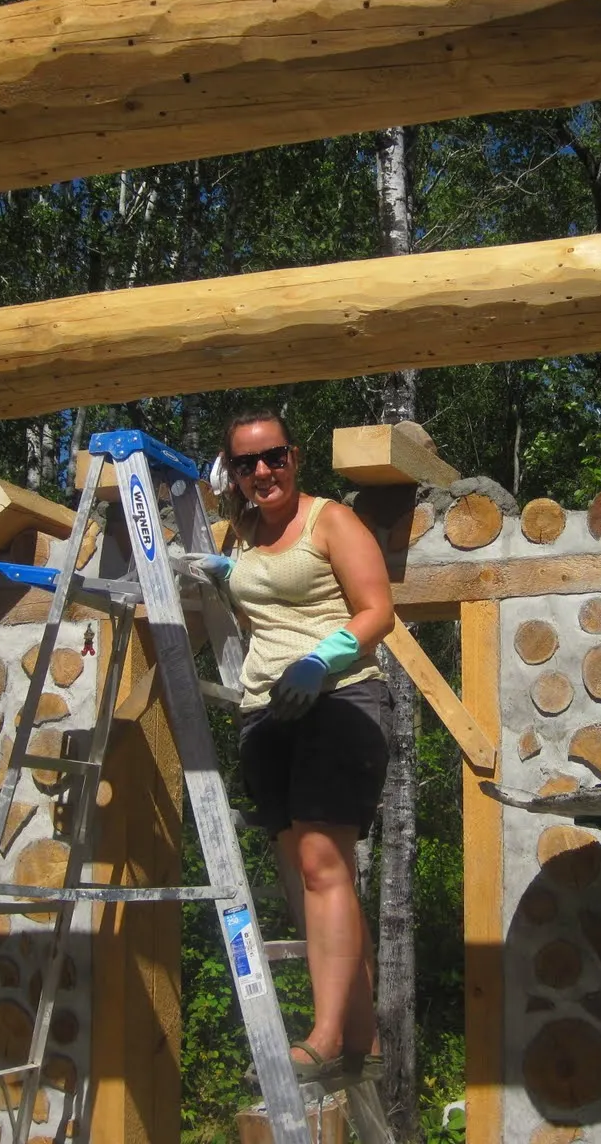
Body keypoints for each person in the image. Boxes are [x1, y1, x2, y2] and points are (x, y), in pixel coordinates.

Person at [193, 410, 394, 1085]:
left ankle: (326, 1036)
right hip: (266, 712)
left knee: (321, 864)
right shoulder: (244, 534)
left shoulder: (329, 520)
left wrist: (319, 660)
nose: (262, 472)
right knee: (303, 876)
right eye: (245, 463)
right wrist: (224, 565)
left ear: (294, 457)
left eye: (273, 457)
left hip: (337, 700)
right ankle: (362, 1037)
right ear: (232, 472)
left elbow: (377, 610)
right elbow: (261, 601)